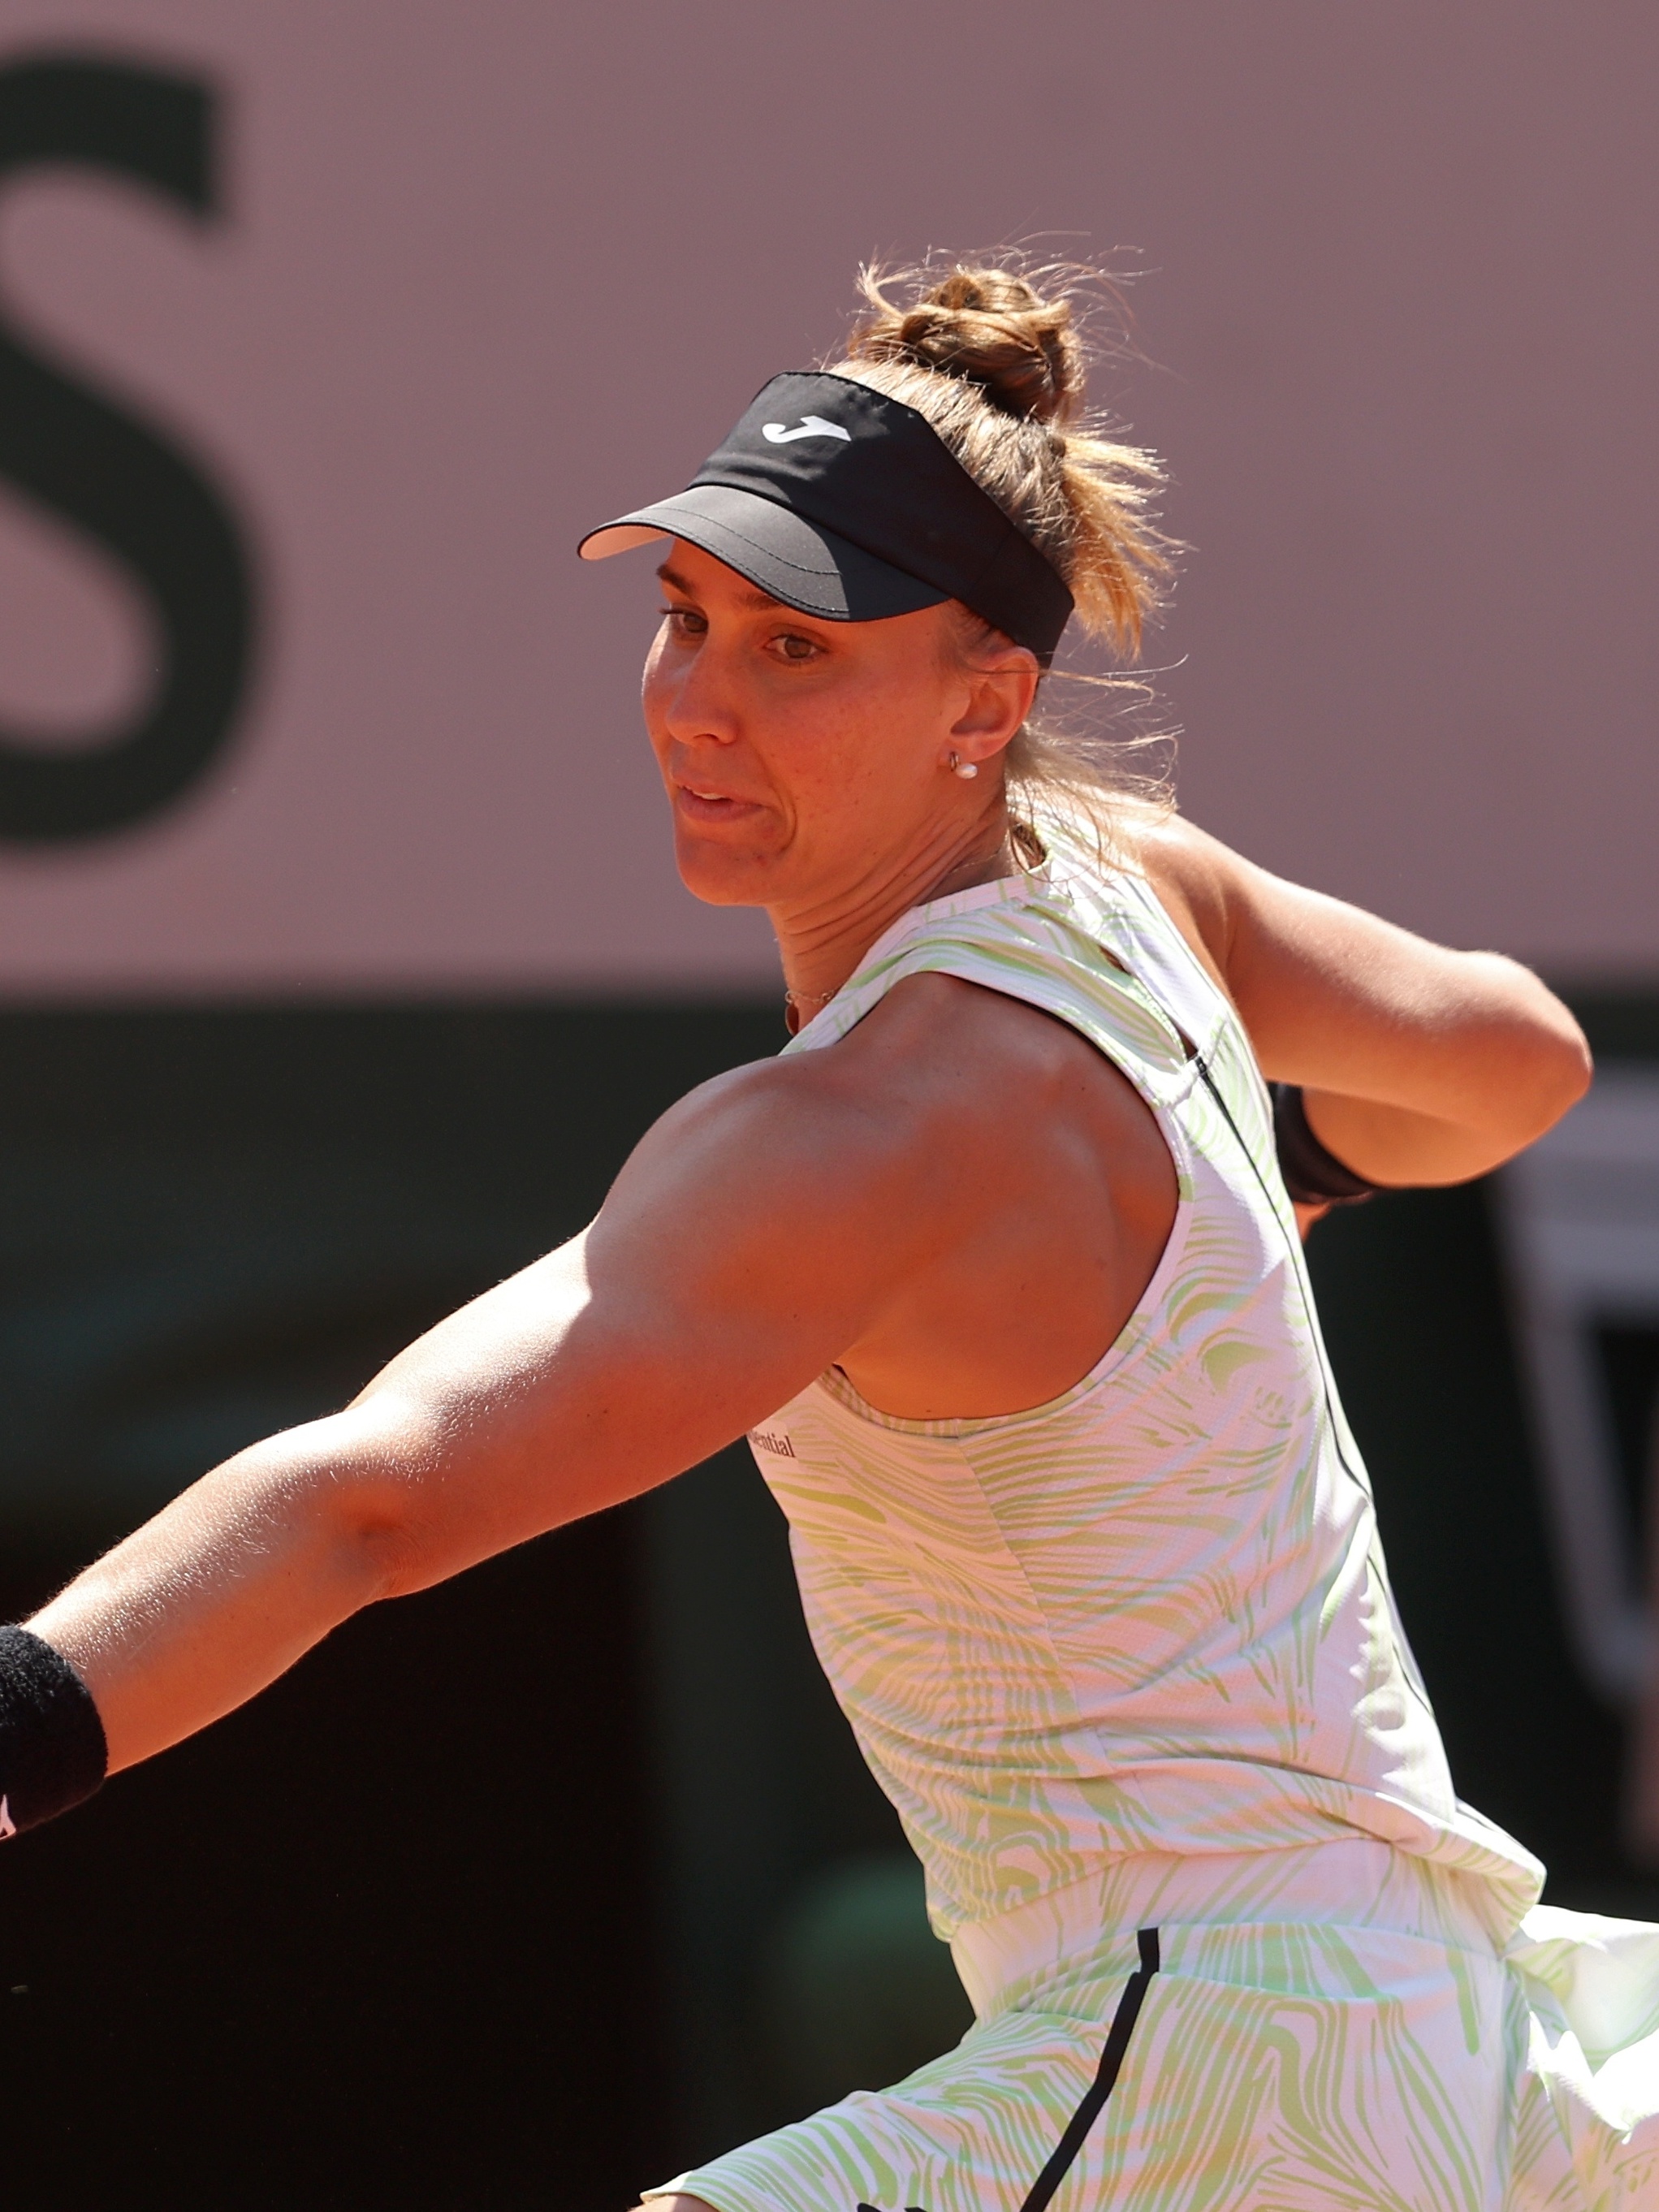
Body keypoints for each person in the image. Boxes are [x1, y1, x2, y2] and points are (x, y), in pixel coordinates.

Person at [0, 257, 1653, 2211]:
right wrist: (1265, 1187)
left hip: (1222, 2068)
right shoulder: (1137, 893)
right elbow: (1514, 1067)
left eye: (799, 652)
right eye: (684, 618)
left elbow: (371, 1503)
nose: (701, 701)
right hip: (1459, 2043)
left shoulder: (839, 1147)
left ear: (988, 701)